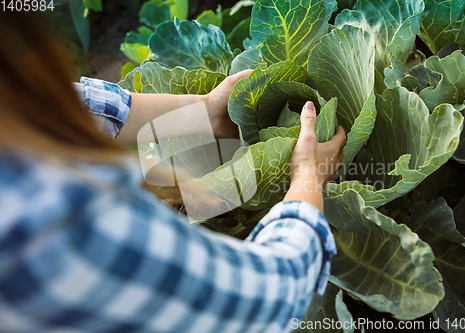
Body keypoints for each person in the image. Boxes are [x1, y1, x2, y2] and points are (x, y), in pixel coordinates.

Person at [0, 12, 346, 333]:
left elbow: (67, 106)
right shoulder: (60, 228)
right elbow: (274, 291)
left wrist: (208, 112)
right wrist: (307, 179)